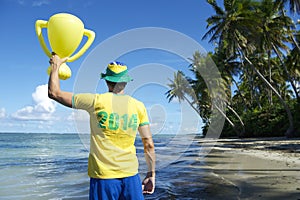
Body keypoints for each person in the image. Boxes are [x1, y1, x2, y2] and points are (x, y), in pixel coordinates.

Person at [48, 53, 156, 200]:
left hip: (103, 178)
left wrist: (55, 66)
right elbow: (148, 144)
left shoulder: (96, 101)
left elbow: (54, 93)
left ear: (107, 81)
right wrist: (151, 174)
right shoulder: (139, 106)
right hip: (131, 177)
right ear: (125, 82)